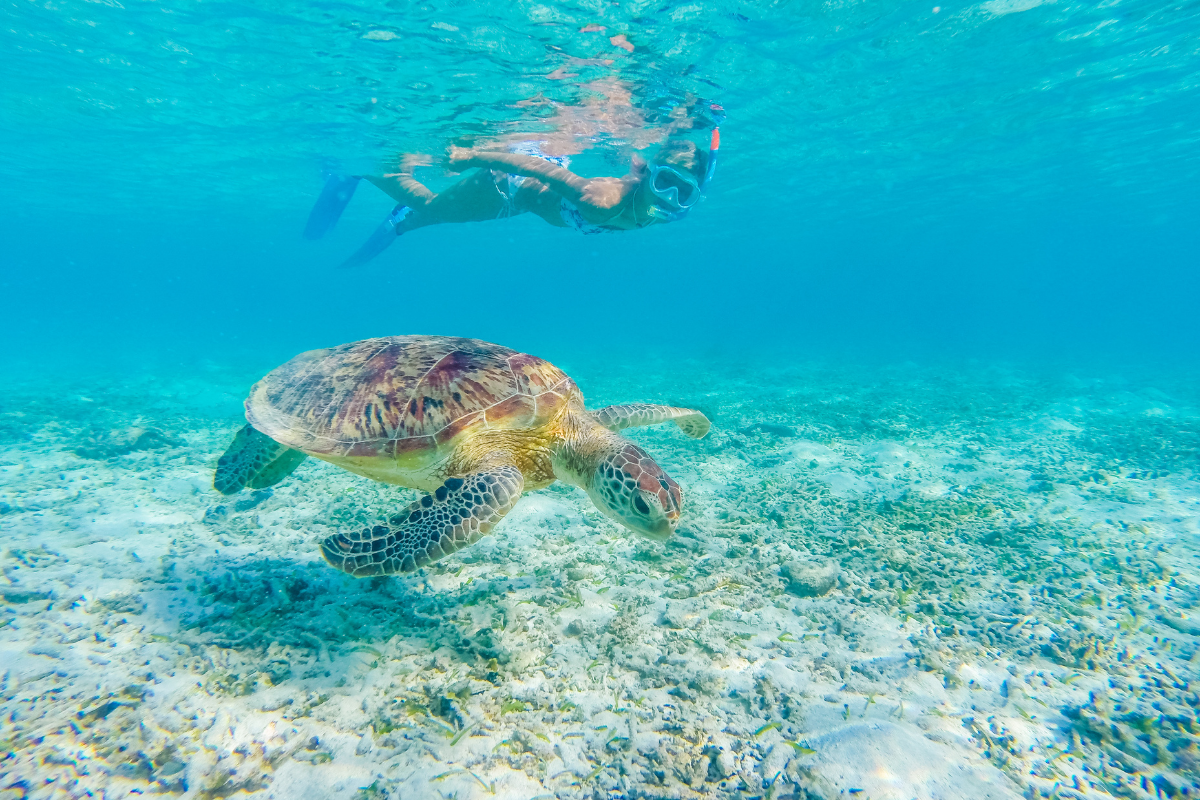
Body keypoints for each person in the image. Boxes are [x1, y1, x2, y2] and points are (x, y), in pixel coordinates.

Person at [303, 113, 721, 269]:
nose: (669, 199)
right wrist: (474, 155)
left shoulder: (664, 205)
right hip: (512, 187)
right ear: (646, 173)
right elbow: (538, 169)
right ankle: (357, 167)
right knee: (429, 205)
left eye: (683, 193)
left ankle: (398, 208)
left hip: (523, 199)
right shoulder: (602, 200)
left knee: (435, 211)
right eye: (664, 182)